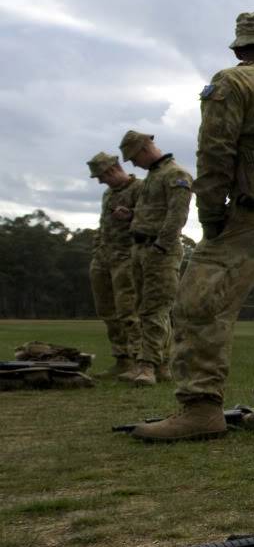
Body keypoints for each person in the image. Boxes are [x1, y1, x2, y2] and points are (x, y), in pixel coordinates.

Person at [132, 12, 254, 441]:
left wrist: (211, 214)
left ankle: (200, 407)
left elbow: (215, 151)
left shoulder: (233, 83)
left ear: (239, 48)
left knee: (198, 303)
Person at [118, 130, 192, 386]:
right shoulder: (153, 176)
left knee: (154, 310)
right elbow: (155, 211)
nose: (132, 164)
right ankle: (162, 365)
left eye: (132, 158)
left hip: (160, 252)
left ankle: (146, 365)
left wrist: (160, 247)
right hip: (142, 248)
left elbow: (177, 216)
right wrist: (131, 215)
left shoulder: (175, 174)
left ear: (143, 149)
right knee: (145, 308)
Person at [86, 151, 142, 378]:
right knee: (107, 311)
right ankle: (122, 359)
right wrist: (97, 248)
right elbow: (103, 225)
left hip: (126, 258)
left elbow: (154, 217)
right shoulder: (108, 194)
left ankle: (141, 362)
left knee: (128, 311)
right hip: (103, 259)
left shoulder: (140, 189)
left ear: (112, 170)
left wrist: (132, 215)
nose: (100, 181)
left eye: (101, 176)